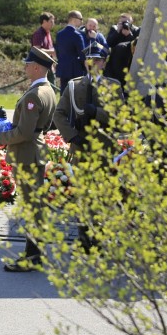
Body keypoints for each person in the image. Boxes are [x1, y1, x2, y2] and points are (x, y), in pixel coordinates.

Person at [53, 43, 123, 251]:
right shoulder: (74, 86)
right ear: (84, 62)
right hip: (81, 148)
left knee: (103, 194)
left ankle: (100, 239)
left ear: (104, 62)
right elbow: (59, 114)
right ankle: (83, 240)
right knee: (83, 194)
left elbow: (120, 120)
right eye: (89, 60)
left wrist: (97, 112)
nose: (93, 63)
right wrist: (73, 137)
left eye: (98, 60)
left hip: (104, 149)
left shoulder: (113, 86)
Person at [0, 47, 58, 273]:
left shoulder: (34, 94)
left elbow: (26, 132)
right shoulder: (47, 90)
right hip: (34, 153)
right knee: (34, 206)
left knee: (31, 207)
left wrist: (1, 136)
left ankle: (33, 257)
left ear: (37, 67)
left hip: (27, 154)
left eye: (28, 64)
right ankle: (35, 254)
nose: (25, 67)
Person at [54, 10, 87, 93]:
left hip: (63, 68)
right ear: (74, 19)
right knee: (75, 94)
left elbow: (58, 52)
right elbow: (83, 55)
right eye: (81, 19)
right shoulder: (77, 35)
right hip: (75, 69)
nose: (82, 21)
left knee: (64, 93)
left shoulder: (59, 34)